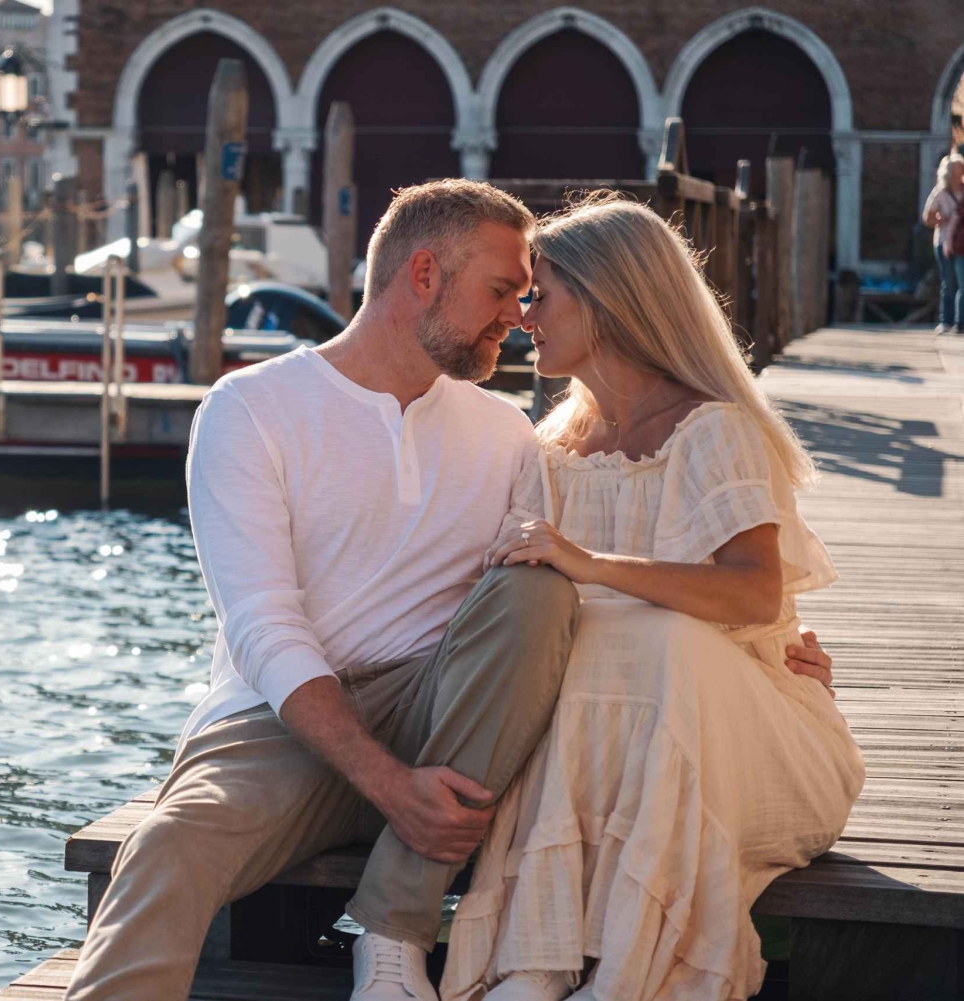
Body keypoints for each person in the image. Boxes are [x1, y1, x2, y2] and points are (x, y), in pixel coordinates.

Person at [63, 180, 839, 1001]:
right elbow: (263, 629)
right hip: (288, 718)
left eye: (530, 295)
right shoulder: (251, 408)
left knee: (534, 592)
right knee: (168, 843)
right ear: (425, 274)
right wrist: (388, 782)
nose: (516, 316)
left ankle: (394, 939)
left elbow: (590, 585)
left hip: (451, 716)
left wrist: (769, 654)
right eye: (502, 290)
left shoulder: (505, 432)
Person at [440, 196, 866, 1001]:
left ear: (608, 300)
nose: (525, 317)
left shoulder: (713, 430)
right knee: (578, 640)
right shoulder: (547, 453)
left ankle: (626, 974)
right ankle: (540, 957)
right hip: (616, 739)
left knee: (651, 636)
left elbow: (756, 591)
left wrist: (592, 565)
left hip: (753, 738)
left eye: (542, 295)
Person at [922, 152, 964, 333]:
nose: (959, 174)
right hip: (943, 241)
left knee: (962, 282)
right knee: (948, 281)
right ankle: (946, 320)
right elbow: (927, 218)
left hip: (962, 243)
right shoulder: (940, 192)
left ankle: (960, 322)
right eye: (956, 170)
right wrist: (942, 220)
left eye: (961, 170)